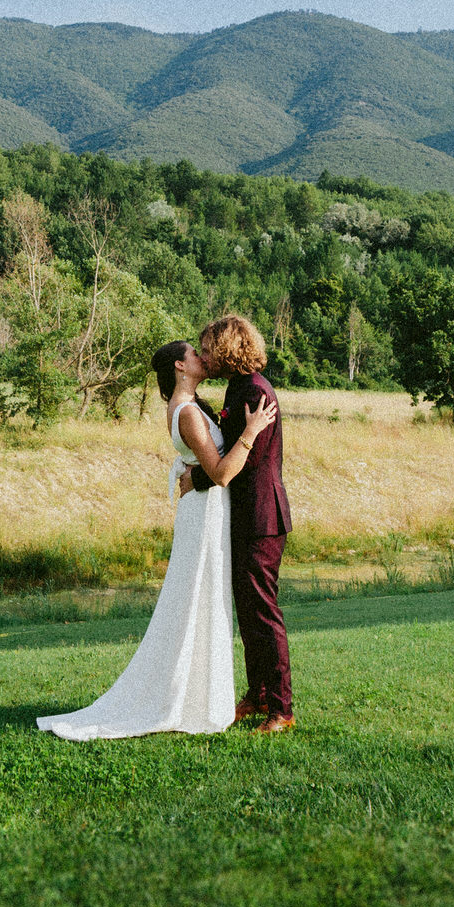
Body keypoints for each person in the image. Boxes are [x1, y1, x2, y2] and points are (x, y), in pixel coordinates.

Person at [36, 338, 276, 741]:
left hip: (209, 512)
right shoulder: (187, 414)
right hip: (203, 516)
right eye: (194, 354)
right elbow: (219, 473)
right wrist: (250, 432)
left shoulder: (192, 405)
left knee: (205, 600)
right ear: (181, 367)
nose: (203, 358)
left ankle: (201, 694)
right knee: (198, 599)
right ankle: (186, 699)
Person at [188, 312, 294, 732]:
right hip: (248, 516)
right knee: (249, 613)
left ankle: (281, 709)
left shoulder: (252, 391)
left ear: (228, 349)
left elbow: (236, 463)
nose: (205, 356)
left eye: (209, 349)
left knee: (264, 613)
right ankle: (257, 695)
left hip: (261, 517)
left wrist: (193, 476)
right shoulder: (239, 388)